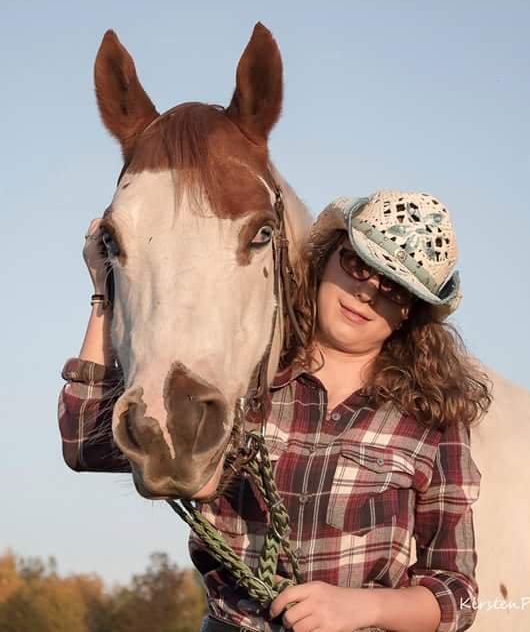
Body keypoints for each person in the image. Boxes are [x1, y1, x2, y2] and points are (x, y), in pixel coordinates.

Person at [58, 190, 491, 632]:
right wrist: (105, 294)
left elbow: (456, 592)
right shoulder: (241, 376)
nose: (366, 292)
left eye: (394, 288)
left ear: (410, 313)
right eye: (358, 264)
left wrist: (362, 608)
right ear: (326, 258)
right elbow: (83, 443)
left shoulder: (434, 421)